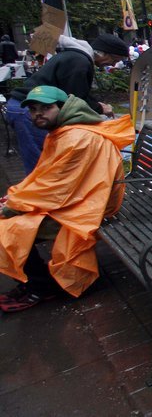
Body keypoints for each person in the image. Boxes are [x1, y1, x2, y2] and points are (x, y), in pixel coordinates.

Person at [0, 85, 134, 312]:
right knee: (10, 220)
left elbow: (57, 189)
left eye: (46, 108)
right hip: (78, 198)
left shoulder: (75, 138)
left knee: (7, 229)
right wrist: (14, 198)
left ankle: (40, 287)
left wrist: (14, 206)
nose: (38, 114)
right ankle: (34, 282)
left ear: (63, 108)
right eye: (33, 109)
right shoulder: (64, 131)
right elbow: (47, 177)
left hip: (89, 206)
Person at [6, 34, 129, 174]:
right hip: (31, 109)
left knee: (43, 160)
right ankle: (44, 188)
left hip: (26, 107)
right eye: (114, 60)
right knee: (42, 164)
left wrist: (97, 104)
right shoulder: (79, 62)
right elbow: (75, 98)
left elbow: (76, 91)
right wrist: (100, 108)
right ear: (103, 53)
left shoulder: (75, 57)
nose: (113, 65)